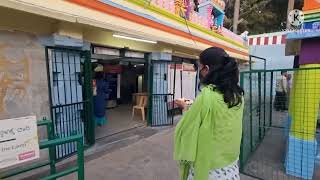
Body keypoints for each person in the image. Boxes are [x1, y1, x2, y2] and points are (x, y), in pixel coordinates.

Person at [174, 47, 244, 180]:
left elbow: (187, 129)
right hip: (231, 168)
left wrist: (185, 107)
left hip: (208, 170)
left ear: (206, 69)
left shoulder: (207, 97)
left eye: (199, 67)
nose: (199, 71)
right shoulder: (238, 96)